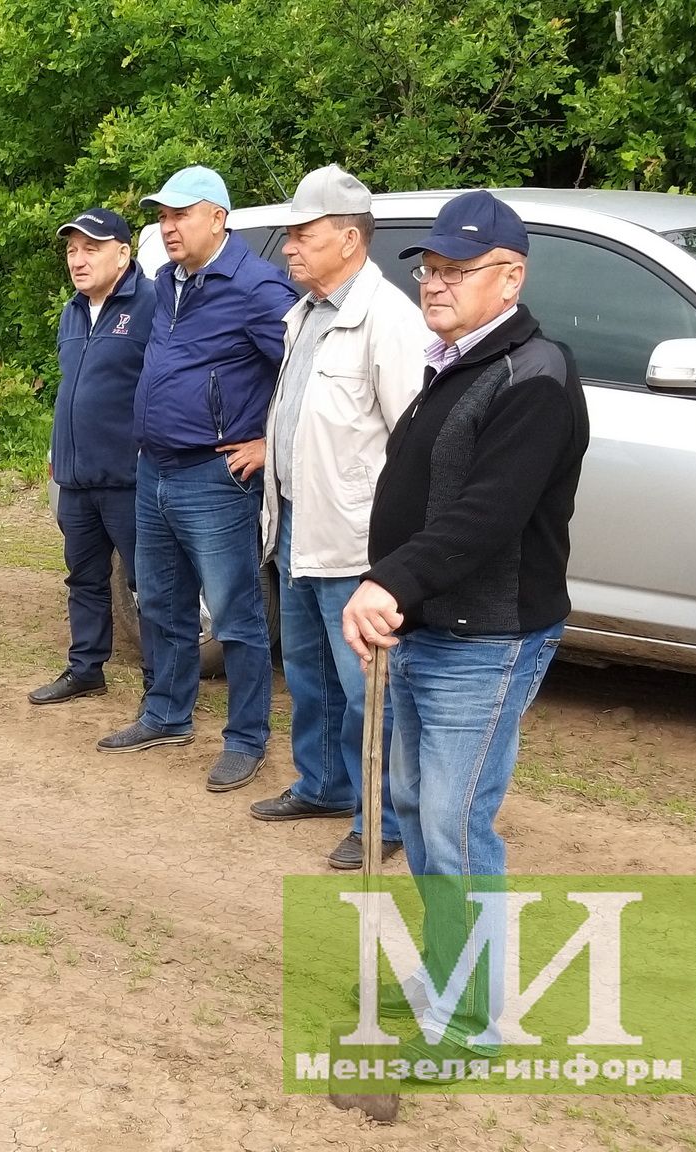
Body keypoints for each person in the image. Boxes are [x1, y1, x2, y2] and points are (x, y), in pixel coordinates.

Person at [341, 190, 589, 1060]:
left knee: (451, 820)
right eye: (431, 269)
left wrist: (391, 580)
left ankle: (473, 1018)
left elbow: (486, 515)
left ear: (510, 276)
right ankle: (453, 972)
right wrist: (394, 587)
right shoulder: (459, 362)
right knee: (414, 804)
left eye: (457, 270)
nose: (435, 284)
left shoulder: (535, 378)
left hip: (485, 638)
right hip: (430, 626)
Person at [96, 165, 299, 794]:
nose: (169, 226)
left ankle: (245, 739)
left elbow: (304, 369)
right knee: (159, 602)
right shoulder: (165, 281)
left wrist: (271, 445)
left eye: (181, 214)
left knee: (236, 617)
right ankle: (167, 712)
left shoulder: (259, 286)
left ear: (218, 217)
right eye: (162, 216)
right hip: (153, 468)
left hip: (215, 476)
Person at [250, 165, 426, 869]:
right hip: (298, 519)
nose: (289, 246)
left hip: (359, 541)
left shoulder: (389, 321)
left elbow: (415, 443)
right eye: (289, 233)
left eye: (304, 233)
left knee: (368, 690)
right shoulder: (308, 314)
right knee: (310, 670)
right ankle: (322, 785)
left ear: (350, 239)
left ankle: (380, 816)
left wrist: (397, 555)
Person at [30, 208, 156, 706]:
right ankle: (85, 668)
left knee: (147, 585)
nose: (78, 261)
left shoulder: (150, 303)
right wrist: (58, 455)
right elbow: (74, 390)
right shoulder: (72, 311)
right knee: (83, 577)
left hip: (129, 476)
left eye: (91, 249)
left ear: (123, 254)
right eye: (71, 250)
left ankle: (159, 685)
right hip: (76, 476)